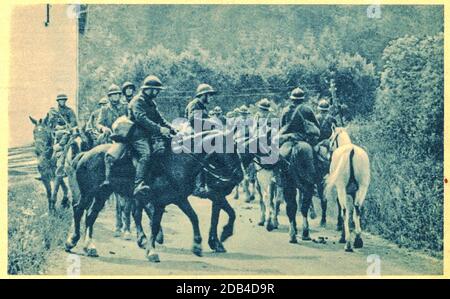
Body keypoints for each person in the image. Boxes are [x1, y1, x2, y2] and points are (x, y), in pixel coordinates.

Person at [127, 75, 175, 197]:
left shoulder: (151, 102)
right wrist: (160, 129)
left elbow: (160, 119)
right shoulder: (137, 101)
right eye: (155, 90)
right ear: (147, 89)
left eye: (157, 90)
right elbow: (141, 118)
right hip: (137, 135)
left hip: (149, 134)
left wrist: (173, 129)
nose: (156, 92)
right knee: (146, 154)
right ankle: (138, 184)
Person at [278, 87, 320, 184]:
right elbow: (316, 125)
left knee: (277, 157)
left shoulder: (285, 110)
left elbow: (281, 126)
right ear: (302, 99)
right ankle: (315, 177)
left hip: (287, 139)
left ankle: (278, 179)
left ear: (292, 99)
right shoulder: (307, 109)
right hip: (305, 139)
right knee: (317, 156)